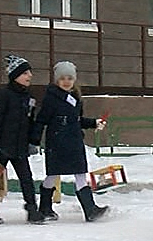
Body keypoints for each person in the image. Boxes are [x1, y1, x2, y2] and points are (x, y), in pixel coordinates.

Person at [31, 61, 107, 223]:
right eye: (63, 78)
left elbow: (76, 120)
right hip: (57, 143)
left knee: (80, 174)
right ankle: (45, 208)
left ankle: (90, 209)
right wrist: (34, 141)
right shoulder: (51, 98)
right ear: (57, 80)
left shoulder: (76, 98)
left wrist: (94, 122)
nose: (66, 81)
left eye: (70, 78)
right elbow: (41, 120)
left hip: (74, 142)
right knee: (52, 175)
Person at [0, 54, 45, 225]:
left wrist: (33, 141)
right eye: (25, 73)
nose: (29, 76)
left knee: (26, 178)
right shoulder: (2, 95)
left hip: (20, 147)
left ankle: (32, 210)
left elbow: (31, 122)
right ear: (15, 75)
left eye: (30, 72)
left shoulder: (28, 97)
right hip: (1, 147)